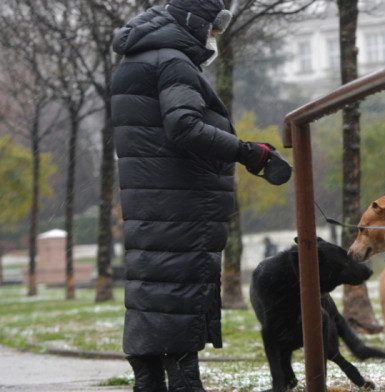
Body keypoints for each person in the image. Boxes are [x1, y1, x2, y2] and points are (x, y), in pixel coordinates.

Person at [111, 1, 292, 391]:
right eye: (214, 26)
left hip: (151, 208)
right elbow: (185, 128)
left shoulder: (137, 58)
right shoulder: (174, 63)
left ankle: (150, 380)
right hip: (182, 210)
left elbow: (157, 135)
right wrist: (249, 153)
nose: (214, 36)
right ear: (194, 22)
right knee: (179, 296)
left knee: (153, 295)